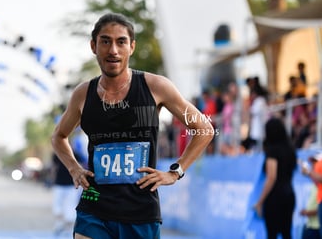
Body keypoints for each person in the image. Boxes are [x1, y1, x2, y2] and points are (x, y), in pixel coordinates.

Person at [51, 13, 214, 239]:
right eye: (105, 41)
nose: (113, 50)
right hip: (94, 207)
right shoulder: (82, 94)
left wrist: (175, 172)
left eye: (121, 42)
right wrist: (74, 168)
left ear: (132, 47)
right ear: (93, 46)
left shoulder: (156, 87)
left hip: (140, 212)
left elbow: (203, 129)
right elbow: (58, 136)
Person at [253, 117, 297, 239]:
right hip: (289, 195)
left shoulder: (272, 151)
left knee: (272, 234)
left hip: (275, 198)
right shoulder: (290, 150)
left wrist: (260, 202)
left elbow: (271, 177)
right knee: (286, 233)